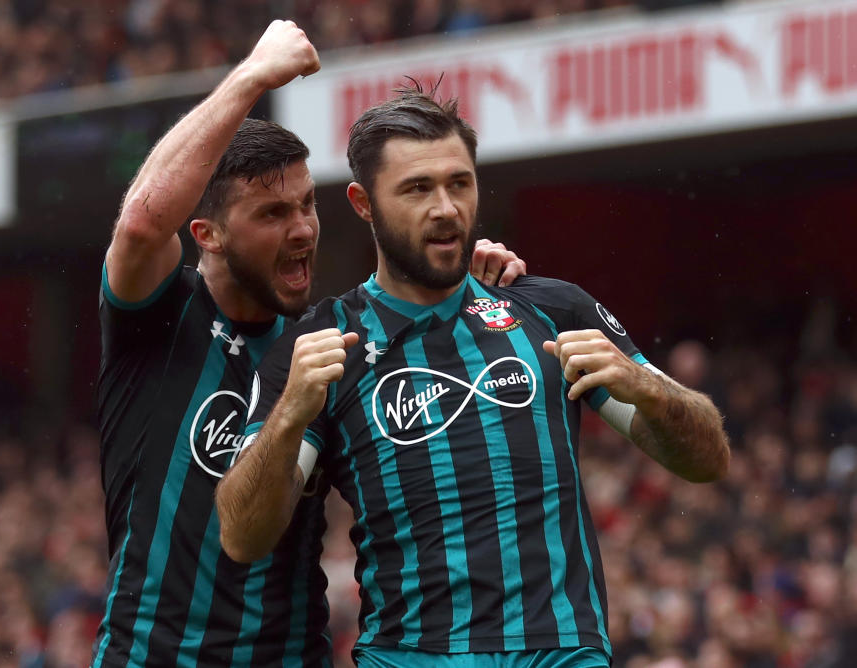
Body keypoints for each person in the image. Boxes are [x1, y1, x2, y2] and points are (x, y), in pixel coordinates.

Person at [217, 87, 731, 667]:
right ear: (364, 203)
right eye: (417, 188)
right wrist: (288, 413)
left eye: (458, 183)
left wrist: (651, 390)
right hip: (412, 655)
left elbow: (707, 460)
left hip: (560, 652)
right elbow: (243, 536)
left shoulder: (552, 311)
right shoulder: (322, 343)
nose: (446, 208)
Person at [93, 22, 526, 666]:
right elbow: (142, 220)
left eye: (307, 206)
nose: (301, 231)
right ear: (207, 234)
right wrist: (253, 76)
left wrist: (461, 269)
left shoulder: (333, 340)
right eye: (272, 214)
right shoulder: (159, 315)